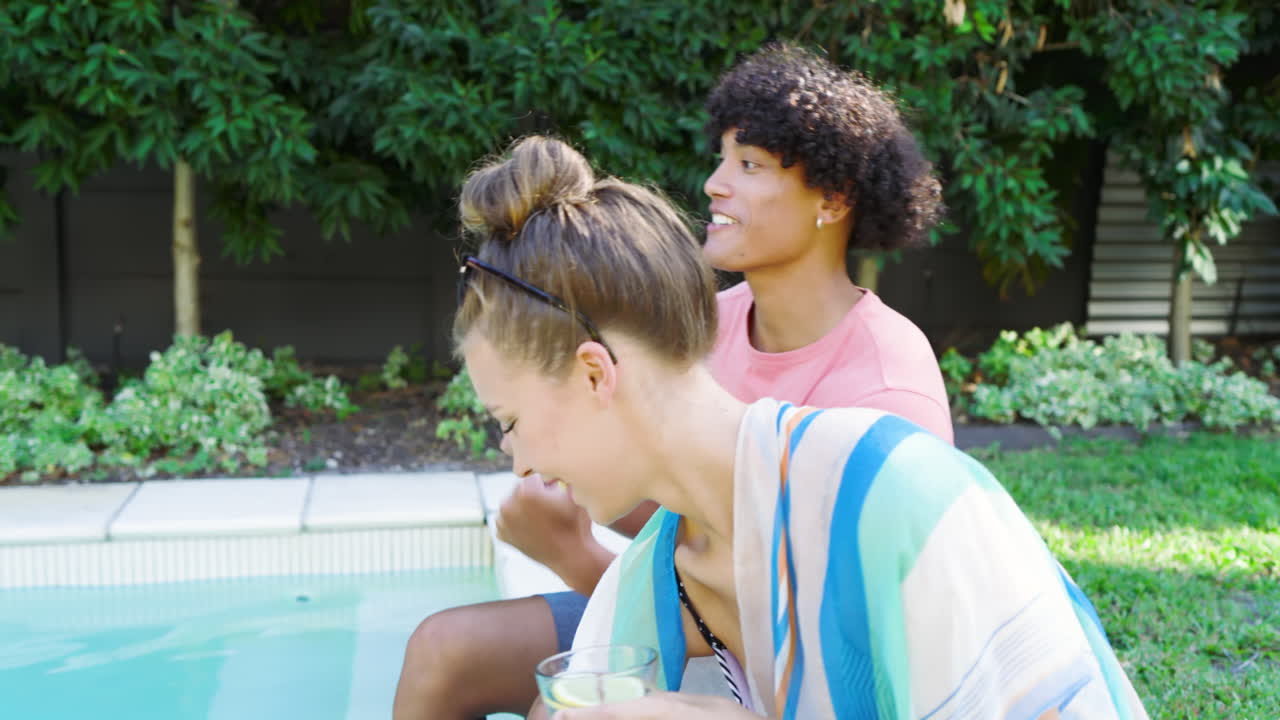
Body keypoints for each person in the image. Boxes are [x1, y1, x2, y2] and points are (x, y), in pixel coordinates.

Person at [453, 135, 1148, 719]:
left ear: (596, 374)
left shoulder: (890, 491)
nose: (515, 462)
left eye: (509, 422)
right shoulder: (655, 578)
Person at [394, 45, 952, 719]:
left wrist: (574, 553)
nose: (716, 184)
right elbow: (682, 520)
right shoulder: (704, 324)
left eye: (749, 166)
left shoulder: (883, 397)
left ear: (831, 200)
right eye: (720, 159)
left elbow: (831, 651)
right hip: (690, 610)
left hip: (776, 658)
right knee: (446, 649)